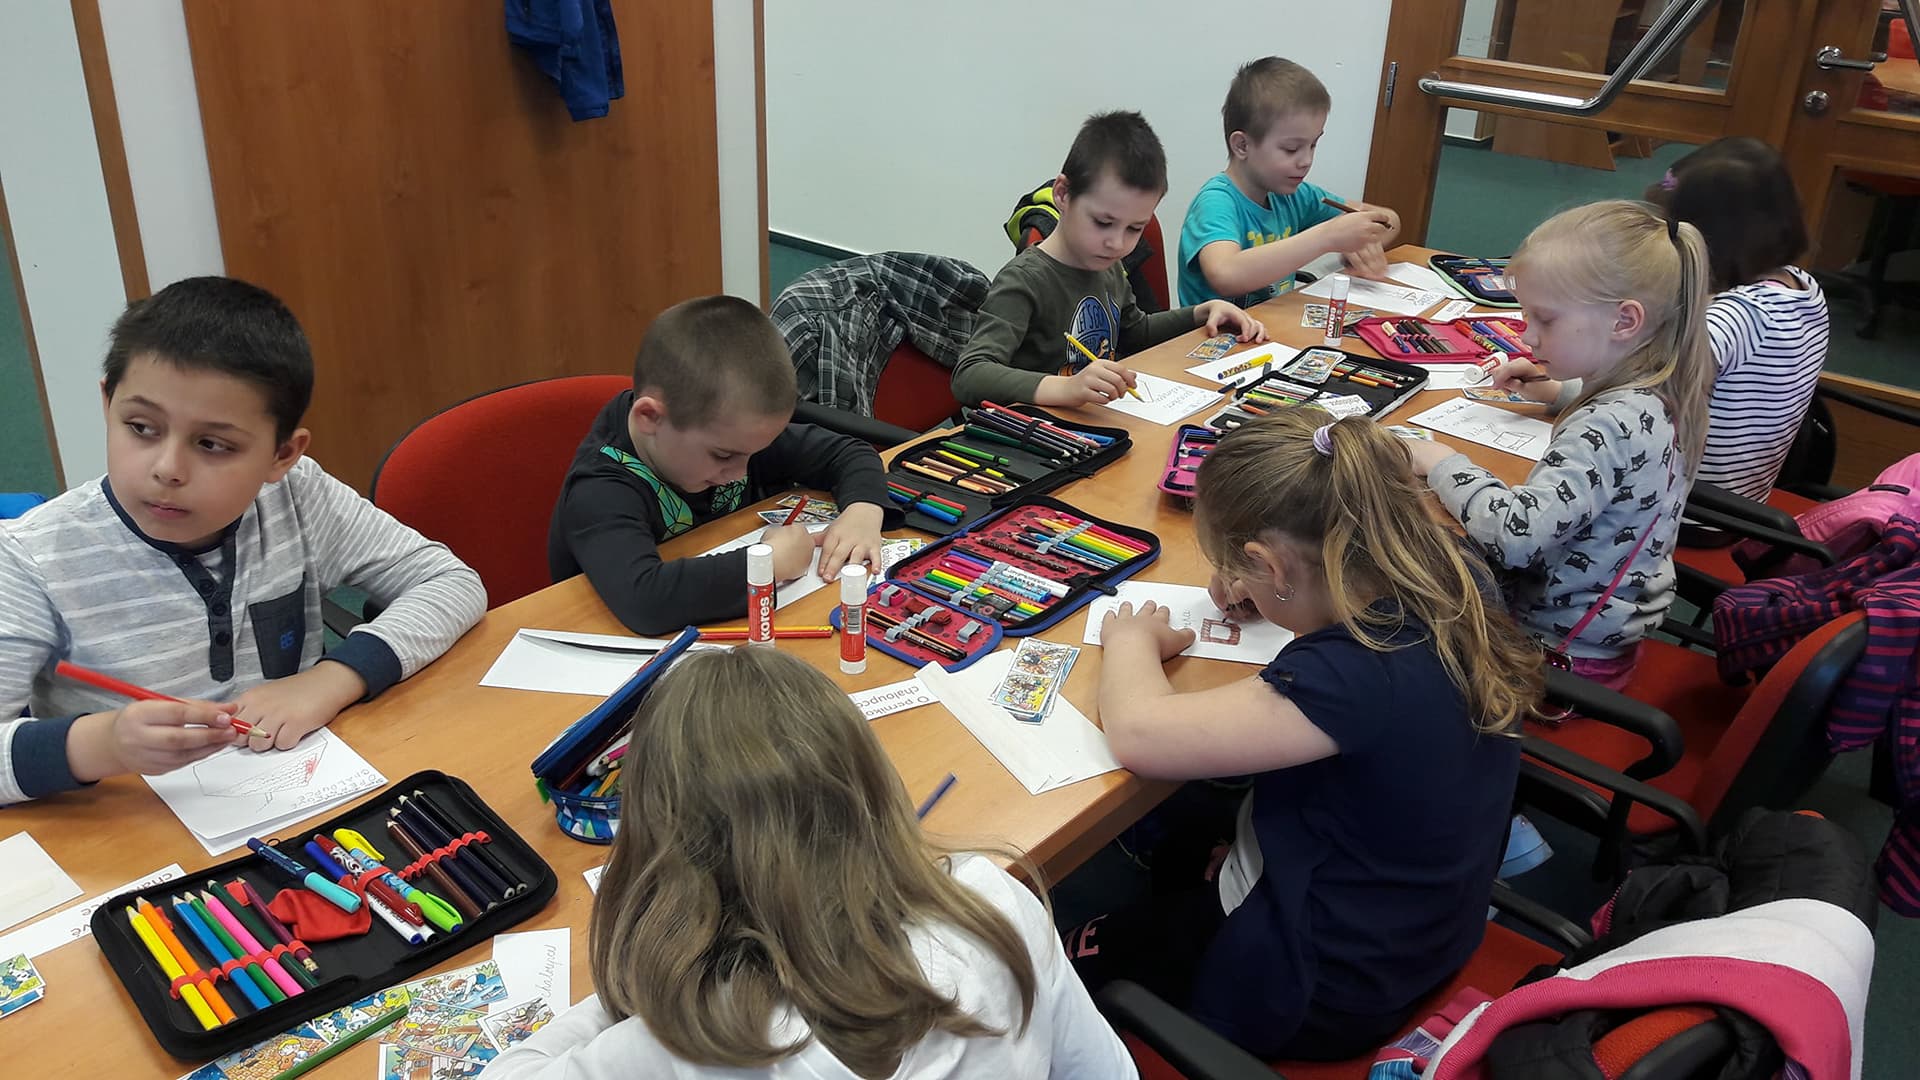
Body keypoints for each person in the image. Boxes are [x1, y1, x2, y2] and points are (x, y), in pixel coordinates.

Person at [1079, 409, 1538, 1060]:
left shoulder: (1352, 674)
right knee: (1184, 839)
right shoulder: (1451, 570)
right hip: (1422, 922)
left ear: (1273, 564)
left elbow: (1137, 732)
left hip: (1327, 987)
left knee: (1073, 954)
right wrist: (1271, 587)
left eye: (1237, 568)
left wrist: (1131, 640)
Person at [483, 647, 1136, 1079]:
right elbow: (1104, 1071)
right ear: (868, 787)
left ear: (661, 843)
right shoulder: (989, 899)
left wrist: (656, 979)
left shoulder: (693, 1040)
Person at [0, 276, 486, 805]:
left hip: (297, 789)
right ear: (107, 403)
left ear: (282, 455)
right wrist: (102, 744)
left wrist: (333, 678)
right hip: (128, 825)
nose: (168, 468)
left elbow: (451, 583)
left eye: (212, 444)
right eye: (140, 427)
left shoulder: (296, 496)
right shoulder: (30, 558)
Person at [1407, 200, 1713, 689]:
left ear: (1624, 321)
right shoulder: (1664, 387)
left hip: (1550, 662)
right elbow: (1625, 438)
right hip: (1604, 635)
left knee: (1400, 587)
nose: (1527, 336)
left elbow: (1516, 537)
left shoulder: (1606, 425)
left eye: (1545, 320)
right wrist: (1558, 391)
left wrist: (1441, 462)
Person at [549, 296, 889, 634]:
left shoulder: (733, 434)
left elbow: (849, 452)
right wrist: (768, 564)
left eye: (754, 453)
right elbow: (646, 599)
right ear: (650, 417)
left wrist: (864, 511)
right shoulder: (599, 489)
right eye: (723, 456)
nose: (741, 473)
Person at [951, 110, 1266, 409]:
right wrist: (1067, 388)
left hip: (1096, 421)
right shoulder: (1024, 279)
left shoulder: (1108, 266)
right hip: (1040, 432)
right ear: (1063, 194)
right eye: (1103, 222)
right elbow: (970, 375)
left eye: (1134, 229)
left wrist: (1202, 312)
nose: (1117, 243)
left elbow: (1135, 332)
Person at [1644, 136, 1828, 503]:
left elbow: (1643, 403)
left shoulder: (1729, 319)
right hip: (1744, 499)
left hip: (1690, 508)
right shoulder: (1804, 288)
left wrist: (1563, 390)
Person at [1177, 57, 1401, 308]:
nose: (1306, 161)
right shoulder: (1215, 202)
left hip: (1270, 327)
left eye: (1313, 145)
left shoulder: (1294, 196)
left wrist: (1360, 243)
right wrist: (1327, 237)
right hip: (1213, 331)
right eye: (1291, 149)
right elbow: (1225, 275)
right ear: (1242, 145)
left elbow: (1390, 221)